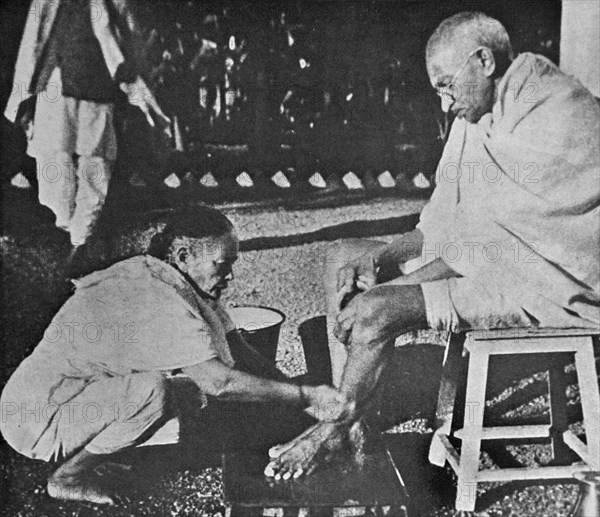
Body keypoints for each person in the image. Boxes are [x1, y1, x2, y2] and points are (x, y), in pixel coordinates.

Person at [265, 11, 600, 479]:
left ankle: (335, 428)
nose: (444, 105)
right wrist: (381, 258)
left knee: (376, 310)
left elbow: (493, 246)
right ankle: (354, 428)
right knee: (343, 256)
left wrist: (388, 294)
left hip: (542, 283)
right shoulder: (480, 111)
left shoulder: (556, 111)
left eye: (447, 86)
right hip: (487, 261)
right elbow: (443, 222)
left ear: (483, 60)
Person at [0, 206, 345, 504]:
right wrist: (305, 395)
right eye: (222, 265)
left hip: (75, 396)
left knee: (186, 394)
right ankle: (68, 478)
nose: (230, 275)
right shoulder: (156, 296)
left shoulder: (181, 283)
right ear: (183, 256)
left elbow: (241, 352)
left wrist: (301, 410)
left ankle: (98, 448)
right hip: (35, 417)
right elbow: (220, 382)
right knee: (155, 392)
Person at [3, 0, 169, 254]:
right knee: (54, 172)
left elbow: (131, 34)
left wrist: (134, 82)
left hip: (99, 91)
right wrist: (23, 94)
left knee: (95, 173)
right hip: (55, 87)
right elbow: (34, 41)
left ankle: (78, 248)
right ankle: (60, 247)